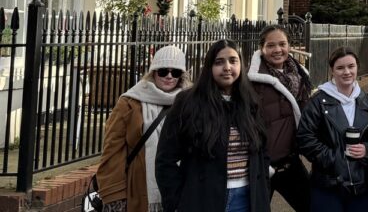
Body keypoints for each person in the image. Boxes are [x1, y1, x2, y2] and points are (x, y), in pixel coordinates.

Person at [156, 40, 270, 212]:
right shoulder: (188, 102)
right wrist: (177, 202)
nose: (227, 67)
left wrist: (263, 192)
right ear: (209, 66)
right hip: (203, 199)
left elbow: (263, 153)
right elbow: (166, 159)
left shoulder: (251, 102)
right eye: (219, 62)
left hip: (247, 199)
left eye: (233, 60)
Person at [97, 46, 191, 212]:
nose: (169, 76)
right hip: (139, 192)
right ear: (153, 72)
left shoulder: (191, 103)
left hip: (181, 191)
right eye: (163, 71)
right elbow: (112, 151)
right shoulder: (130, 102)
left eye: (175, 72)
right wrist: (114, 196)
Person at [297, 47, 368, 211]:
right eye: (340, 67)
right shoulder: (317, 103)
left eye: (351, 66)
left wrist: (367, 149)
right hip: (327, 186)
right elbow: (305, 138)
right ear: (332, 71)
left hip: (361, 186)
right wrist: (335, 159)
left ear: (357, 67)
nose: (347, 72)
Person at [248, 25, 312, 211]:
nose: (277, 50)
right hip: (262, 167)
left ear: (289, 46)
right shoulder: (251, 81)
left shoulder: (299, 75)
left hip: (291, 162)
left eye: (282, 44)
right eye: (271, 45)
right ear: (262, 48)